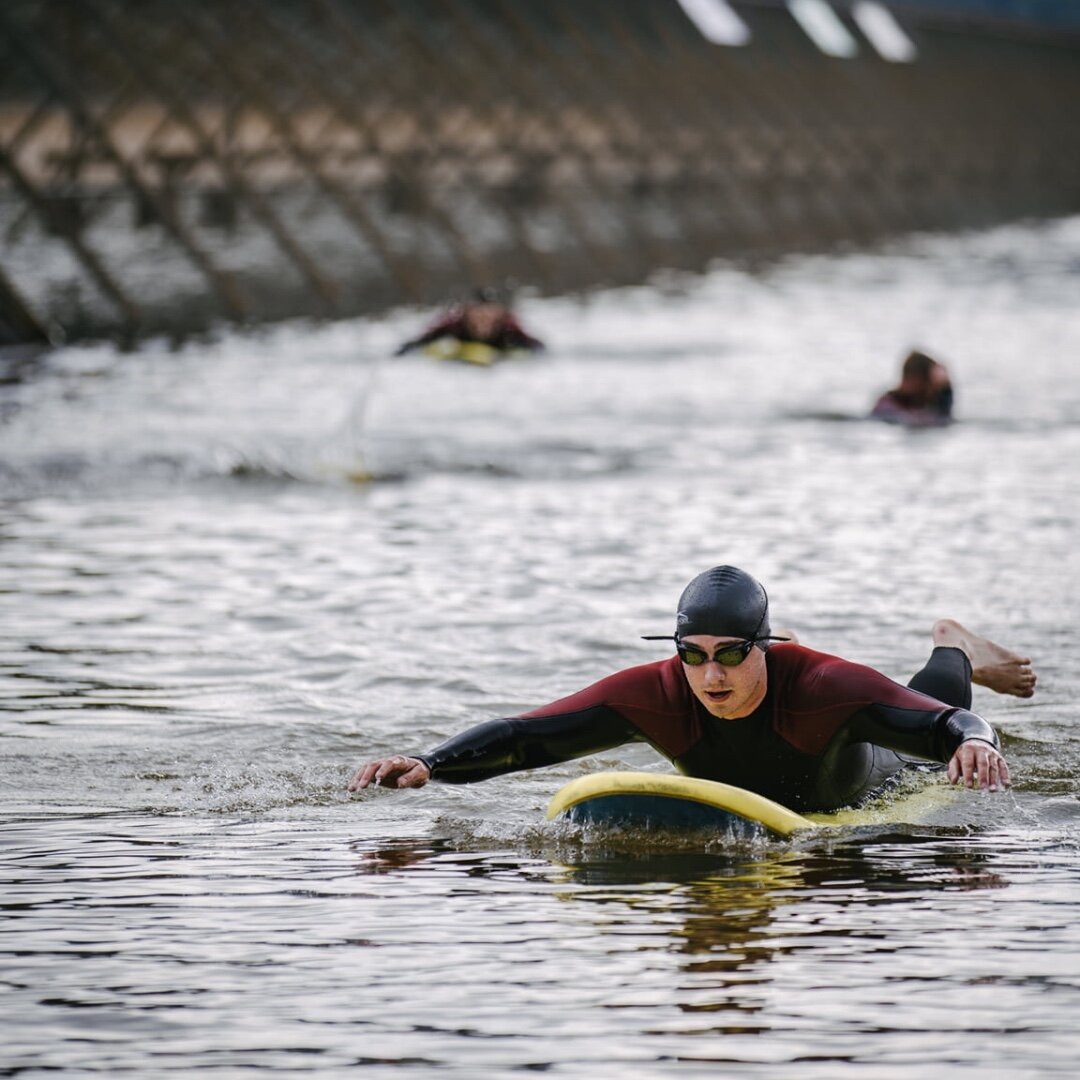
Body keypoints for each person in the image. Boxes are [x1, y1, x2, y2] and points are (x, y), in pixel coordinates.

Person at [349, 566, 1035, 812]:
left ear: (763, 648)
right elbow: (528, 735)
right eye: (693, 656)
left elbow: (942, 722)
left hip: (866, 777)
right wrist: (431, 764)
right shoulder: (654, 693)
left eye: (733, 655)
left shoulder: (826, 686)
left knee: (928, 706)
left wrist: (976, 740)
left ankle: (956, 640)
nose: (711, 677)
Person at [394, 288, 544, 356]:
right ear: (468, 312)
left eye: (489, 312)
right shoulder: (456, 325)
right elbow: (423, 340)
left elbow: (536, 346)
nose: (484, 317)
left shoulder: (507, 327)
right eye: (478, 312)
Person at [870, 349, 954, 426]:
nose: (932, 391)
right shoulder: (888, 406)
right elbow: (942, 418)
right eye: (931, 385)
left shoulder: (919, 409)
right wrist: (946, 390)